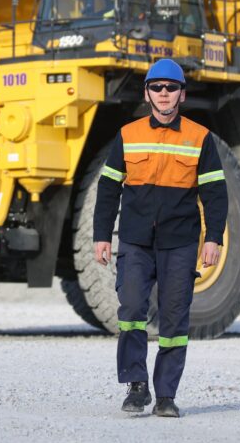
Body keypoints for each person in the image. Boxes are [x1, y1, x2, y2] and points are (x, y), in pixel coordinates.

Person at [92, 58, 228, 418]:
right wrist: (101, 236)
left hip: (181, 242)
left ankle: (166, 395)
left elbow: (216, 193)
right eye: (157, 87)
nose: (164, 94)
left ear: (182, 94)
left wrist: (214, 238)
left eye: (171, 88)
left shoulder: (200, 138)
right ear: (147, 92)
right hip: (136, 239)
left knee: (173, 320)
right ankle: (136, 386)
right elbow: (107, 188)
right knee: (132, 309)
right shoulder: (128, 134)